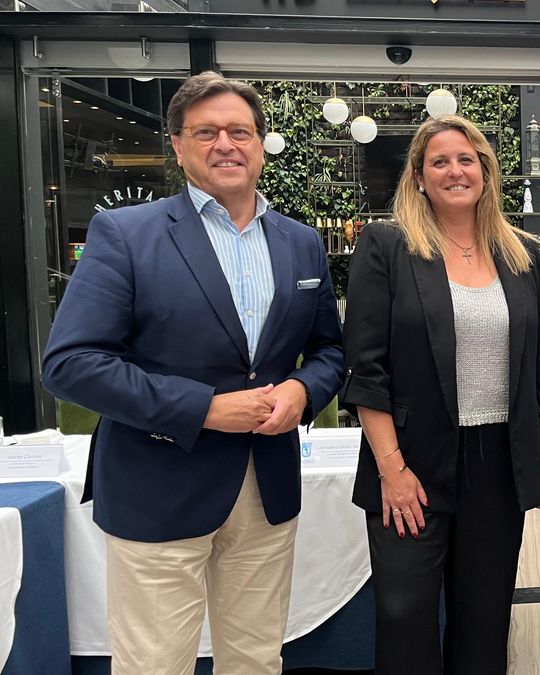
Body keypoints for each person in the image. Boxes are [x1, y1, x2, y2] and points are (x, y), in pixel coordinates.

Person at [41, 71, 344, 674]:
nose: (225, 144)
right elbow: (71, 363)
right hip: (159, 484)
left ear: (260, 143)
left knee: (256, 659)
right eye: (206, 133)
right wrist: (202, 408)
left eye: (239, 131)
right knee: (155, 664)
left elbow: (329, 352)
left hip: (266, 486)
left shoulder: (301, 243)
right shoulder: (126, 234)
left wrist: (302, 389)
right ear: (178, 146)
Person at [341, 114, 540, 674]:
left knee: (484, 621)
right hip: (409, 464)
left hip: (498, 466)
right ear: (419, 177)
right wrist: (392, 470)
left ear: (485, 172)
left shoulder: (519, 254)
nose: (455, 171)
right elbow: (366, 370)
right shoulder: (387, 247)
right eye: (439, 162)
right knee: (405, 618)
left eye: (467, 160)